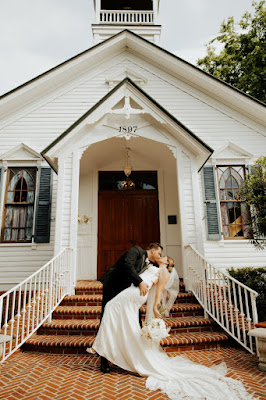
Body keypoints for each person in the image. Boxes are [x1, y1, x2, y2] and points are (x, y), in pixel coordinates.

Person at [88, 255, 253, 400]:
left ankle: (102, 346)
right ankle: (111, 346)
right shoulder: (152, 266)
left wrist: (154, 308)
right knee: (118, 315)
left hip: (136, 295)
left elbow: (158, 292)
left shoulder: (164, 273)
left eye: (164, 256)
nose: (161, 255)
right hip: (134, 291)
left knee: (110, 307)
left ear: (167, 263)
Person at [98, 242, 163, 373]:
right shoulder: (137, 251)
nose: (160, 256)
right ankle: (103, 358)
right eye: (159, 253)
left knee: (136, 320)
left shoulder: (148, 264)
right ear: (152, 250)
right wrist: (140, 282)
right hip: (113, 285)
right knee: (107, 316)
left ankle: (133, 354)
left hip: (126, 293)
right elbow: (127, 265)